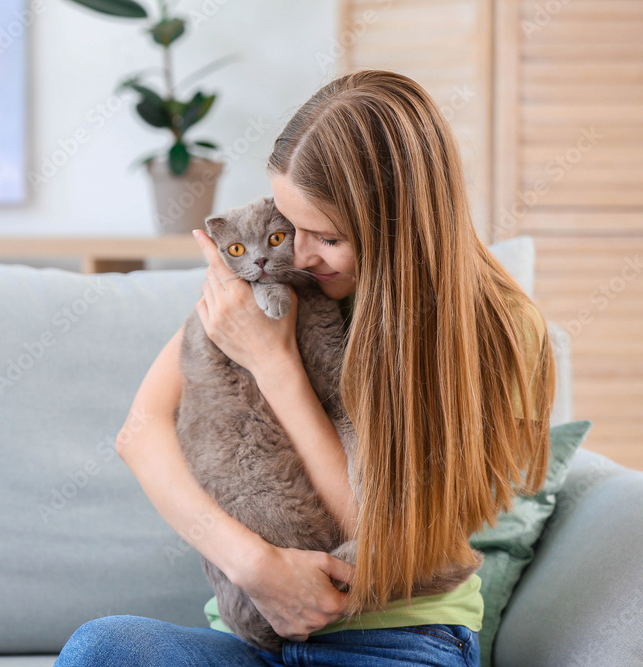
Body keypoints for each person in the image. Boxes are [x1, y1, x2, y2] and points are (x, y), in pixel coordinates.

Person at [54, 68, 555, 667]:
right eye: (292, 228)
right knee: (103, 649)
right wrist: (256, 566)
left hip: (397, 639)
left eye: (329, 236)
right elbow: (141, 431)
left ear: (399, 227)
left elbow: (376, 529)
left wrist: (275, 362)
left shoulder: (493, 329)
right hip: (250, 639)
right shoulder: (278, 284)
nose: (300, 255)